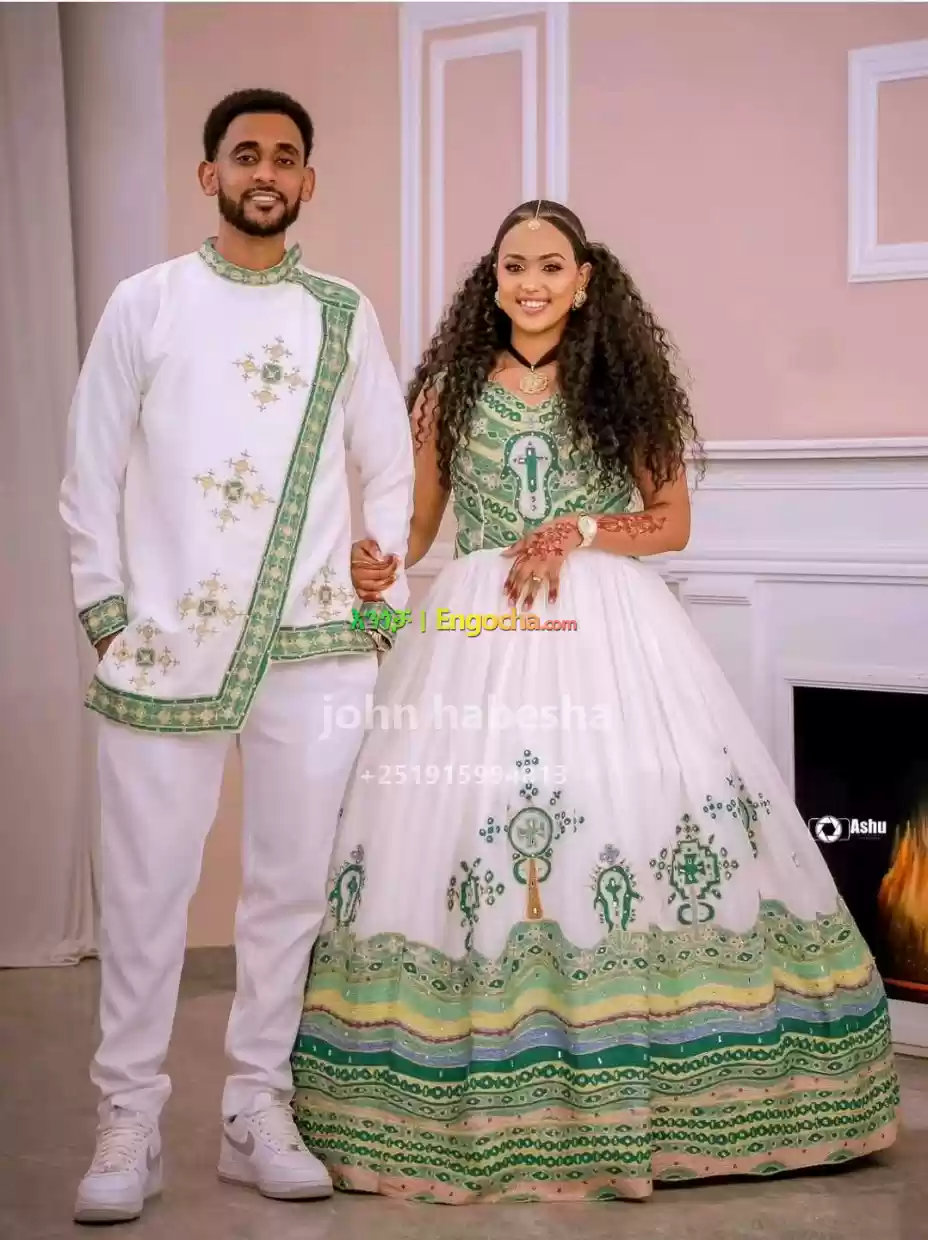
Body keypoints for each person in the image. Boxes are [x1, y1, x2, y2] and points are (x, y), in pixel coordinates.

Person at [290, 199, 900, 1203]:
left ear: (583, 281)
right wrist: (375, 561)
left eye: (550, 266)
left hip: (608, 624)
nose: (530, 282)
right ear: (492, 281)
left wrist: (576, 528)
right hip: (479, 628)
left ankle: (680, 1096)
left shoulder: (621, 382)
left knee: (623, 822)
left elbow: (670, 522)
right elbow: (419, 528)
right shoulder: (445, 393)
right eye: (512, 266)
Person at [59, 88, 413, 1223]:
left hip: (313, 642)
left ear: (308, 181)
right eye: (246, 153)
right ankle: (128, 1118)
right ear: (209, 173)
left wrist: (382, 595)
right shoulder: (148, 302)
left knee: (289, 891)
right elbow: (90, 466)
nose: (267, 170)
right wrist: (106, 613)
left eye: (287, 156)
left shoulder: (342, 311)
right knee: (146, 892)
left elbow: (389, 463)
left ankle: (257, 1107)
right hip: (166, 641)